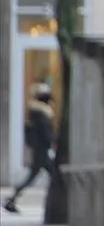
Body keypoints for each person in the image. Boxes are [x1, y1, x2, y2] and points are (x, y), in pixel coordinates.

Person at [4, 83, 57, 214]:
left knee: (37, 176)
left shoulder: (35, 113)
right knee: (52, 176)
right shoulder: (42, 114)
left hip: (40, 150)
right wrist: (53, 140)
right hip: (42, 151)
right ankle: (11, 199)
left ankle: (11, 199)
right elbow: (46, 133)